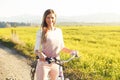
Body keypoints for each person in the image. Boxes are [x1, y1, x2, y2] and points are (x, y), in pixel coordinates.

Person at [34, 9, 77, 80]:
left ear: (55, 19)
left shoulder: (59, 31)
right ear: (45, 18)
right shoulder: (41, 32)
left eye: (52, 18)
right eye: (48, 17)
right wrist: (40, 54)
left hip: (56, 63)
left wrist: (72, 51)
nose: (50, 20)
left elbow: (62, 47)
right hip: (44, 63)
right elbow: (36, 50)